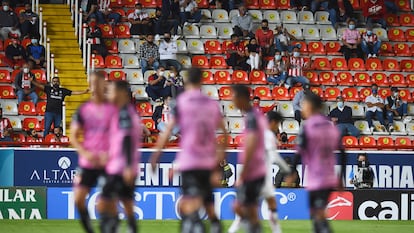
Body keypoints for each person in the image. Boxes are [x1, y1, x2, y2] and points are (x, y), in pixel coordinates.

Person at [150, 67, 228, 233]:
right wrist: (218, 160)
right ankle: (214, 225)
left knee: (189, 204)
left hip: (189, 162)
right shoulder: (211, 104)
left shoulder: (181, 102)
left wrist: (156, 155)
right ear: (201, 81)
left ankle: (196, 226)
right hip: (207, 163)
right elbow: (224, 134)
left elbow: (168, 131)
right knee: (207, 203)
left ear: (185, 82)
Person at [286, 91, 346, 233]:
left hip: (316, 179)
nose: (302, 108)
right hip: (329, 178)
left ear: (311, 107)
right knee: (316, 217)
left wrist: (291, 172)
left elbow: (299, 153)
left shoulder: (308, 127)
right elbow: (343, 152)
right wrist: (340, 176)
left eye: (304, 105)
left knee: (318, 216)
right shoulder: (331, 126)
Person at [228, 111, 290, 233]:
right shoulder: (267, 135)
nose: (277, 128)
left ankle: (276, 231)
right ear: (273, 122)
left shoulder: (257, 132)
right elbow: (274, 156)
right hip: (261, 176)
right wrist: (288, 170)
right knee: (262, 206)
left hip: (256, 175)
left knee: (268, 205)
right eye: (277, 124)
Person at [70, 71, 116, 233]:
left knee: (106, 203)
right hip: (88, 161)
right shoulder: (83, 110)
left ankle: (109, 227)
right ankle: (90, 229)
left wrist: (110, 153)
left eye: (97, 83)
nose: (94, 86)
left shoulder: (113, 109)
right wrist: (85, 153)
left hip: (107, 162)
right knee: (78, 199)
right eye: (92, 83)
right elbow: (73, 136)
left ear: (104, 84)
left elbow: (120, 136)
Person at [98, 80, 141, 233]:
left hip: (120, 167)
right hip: (123, 166)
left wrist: (128, 165)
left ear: (121, 93)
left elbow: (127, 139)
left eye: (111, 91)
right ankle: (131, 226)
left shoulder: (124, 113)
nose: (108, 94)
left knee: (103, 203)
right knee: (126, 201)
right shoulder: (125, 112)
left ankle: (115, 226)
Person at [231, 84, 267, 233]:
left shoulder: (252, 116)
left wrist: (244, 172)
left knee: (238, 206)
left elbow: (251, 144)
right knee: (251, 210)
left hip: (253, 171)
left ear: (241, 98)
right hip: (258, 169)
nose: (232, 101)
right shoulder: (254, 116)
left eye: (233, 97)